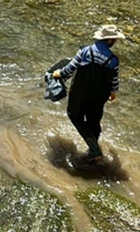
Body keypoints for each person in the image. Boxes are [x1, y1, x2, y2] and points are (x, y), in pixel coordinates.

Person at [51, 24, 125, 162]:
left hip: (80, 93)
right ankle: (93, 152)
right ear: (108, 40)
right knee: (94, 121)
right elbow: (114, 80)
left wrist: (58, 74)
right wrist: (114, 92)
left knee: (74, 115)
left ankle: (95, 151)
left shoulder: (85, 51)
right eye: (114, 39)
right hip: (99, 97)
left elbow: (70, 68)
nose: (115, 42)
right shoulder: (113, 60)